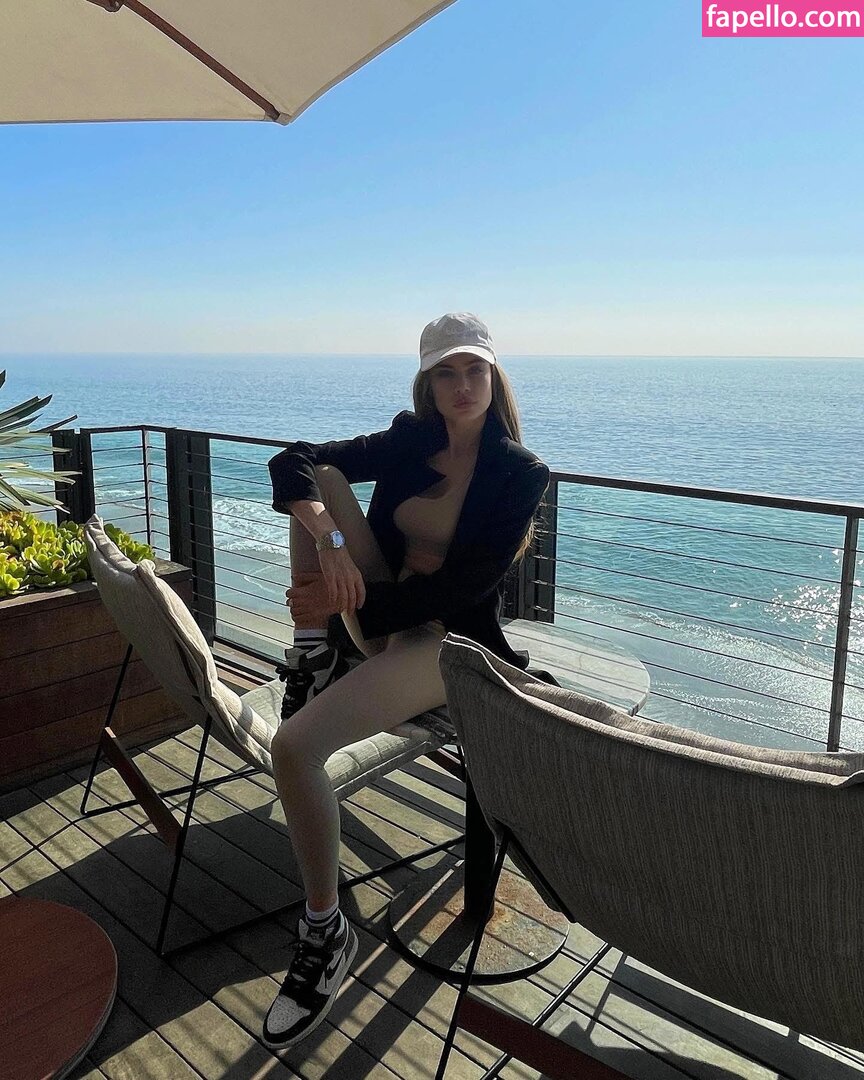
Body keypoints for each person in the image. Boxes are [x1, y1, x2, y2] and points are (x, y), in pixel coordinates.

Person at [262, 312, 550, 1049]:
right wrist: (331, 542)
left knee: (293, 749)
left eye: (474, 370)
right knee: (321, 484)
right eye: (446, 372)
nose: (462, 385)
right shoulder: (410, 438)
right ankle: (310, 656)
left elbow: (460, 590)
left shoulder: (519, 472)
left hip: (448, 643)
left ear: (494, 376)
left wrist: (341, 600)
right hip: (376, 611)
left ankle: (324, 933)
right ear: (428, 382)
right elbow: (294, 460)